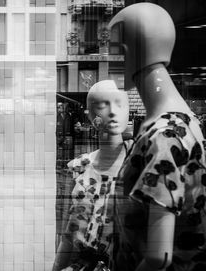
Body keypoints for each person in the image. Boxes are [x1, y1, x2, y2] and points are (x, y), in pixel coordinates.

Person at [109, 3, 206, 271]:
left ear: (126, 51)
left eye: (112, 49)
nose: (107, 58)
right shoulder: (185, 122)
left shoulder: (165, 135)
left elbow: (157, 257)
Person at [53, 80, 132, 271]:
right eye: (102, 105)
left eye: (119, 104)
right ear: (91, 116)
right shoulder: (79, 167)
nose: (112, 111)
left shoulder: (140, 163)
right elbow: (67, 235)